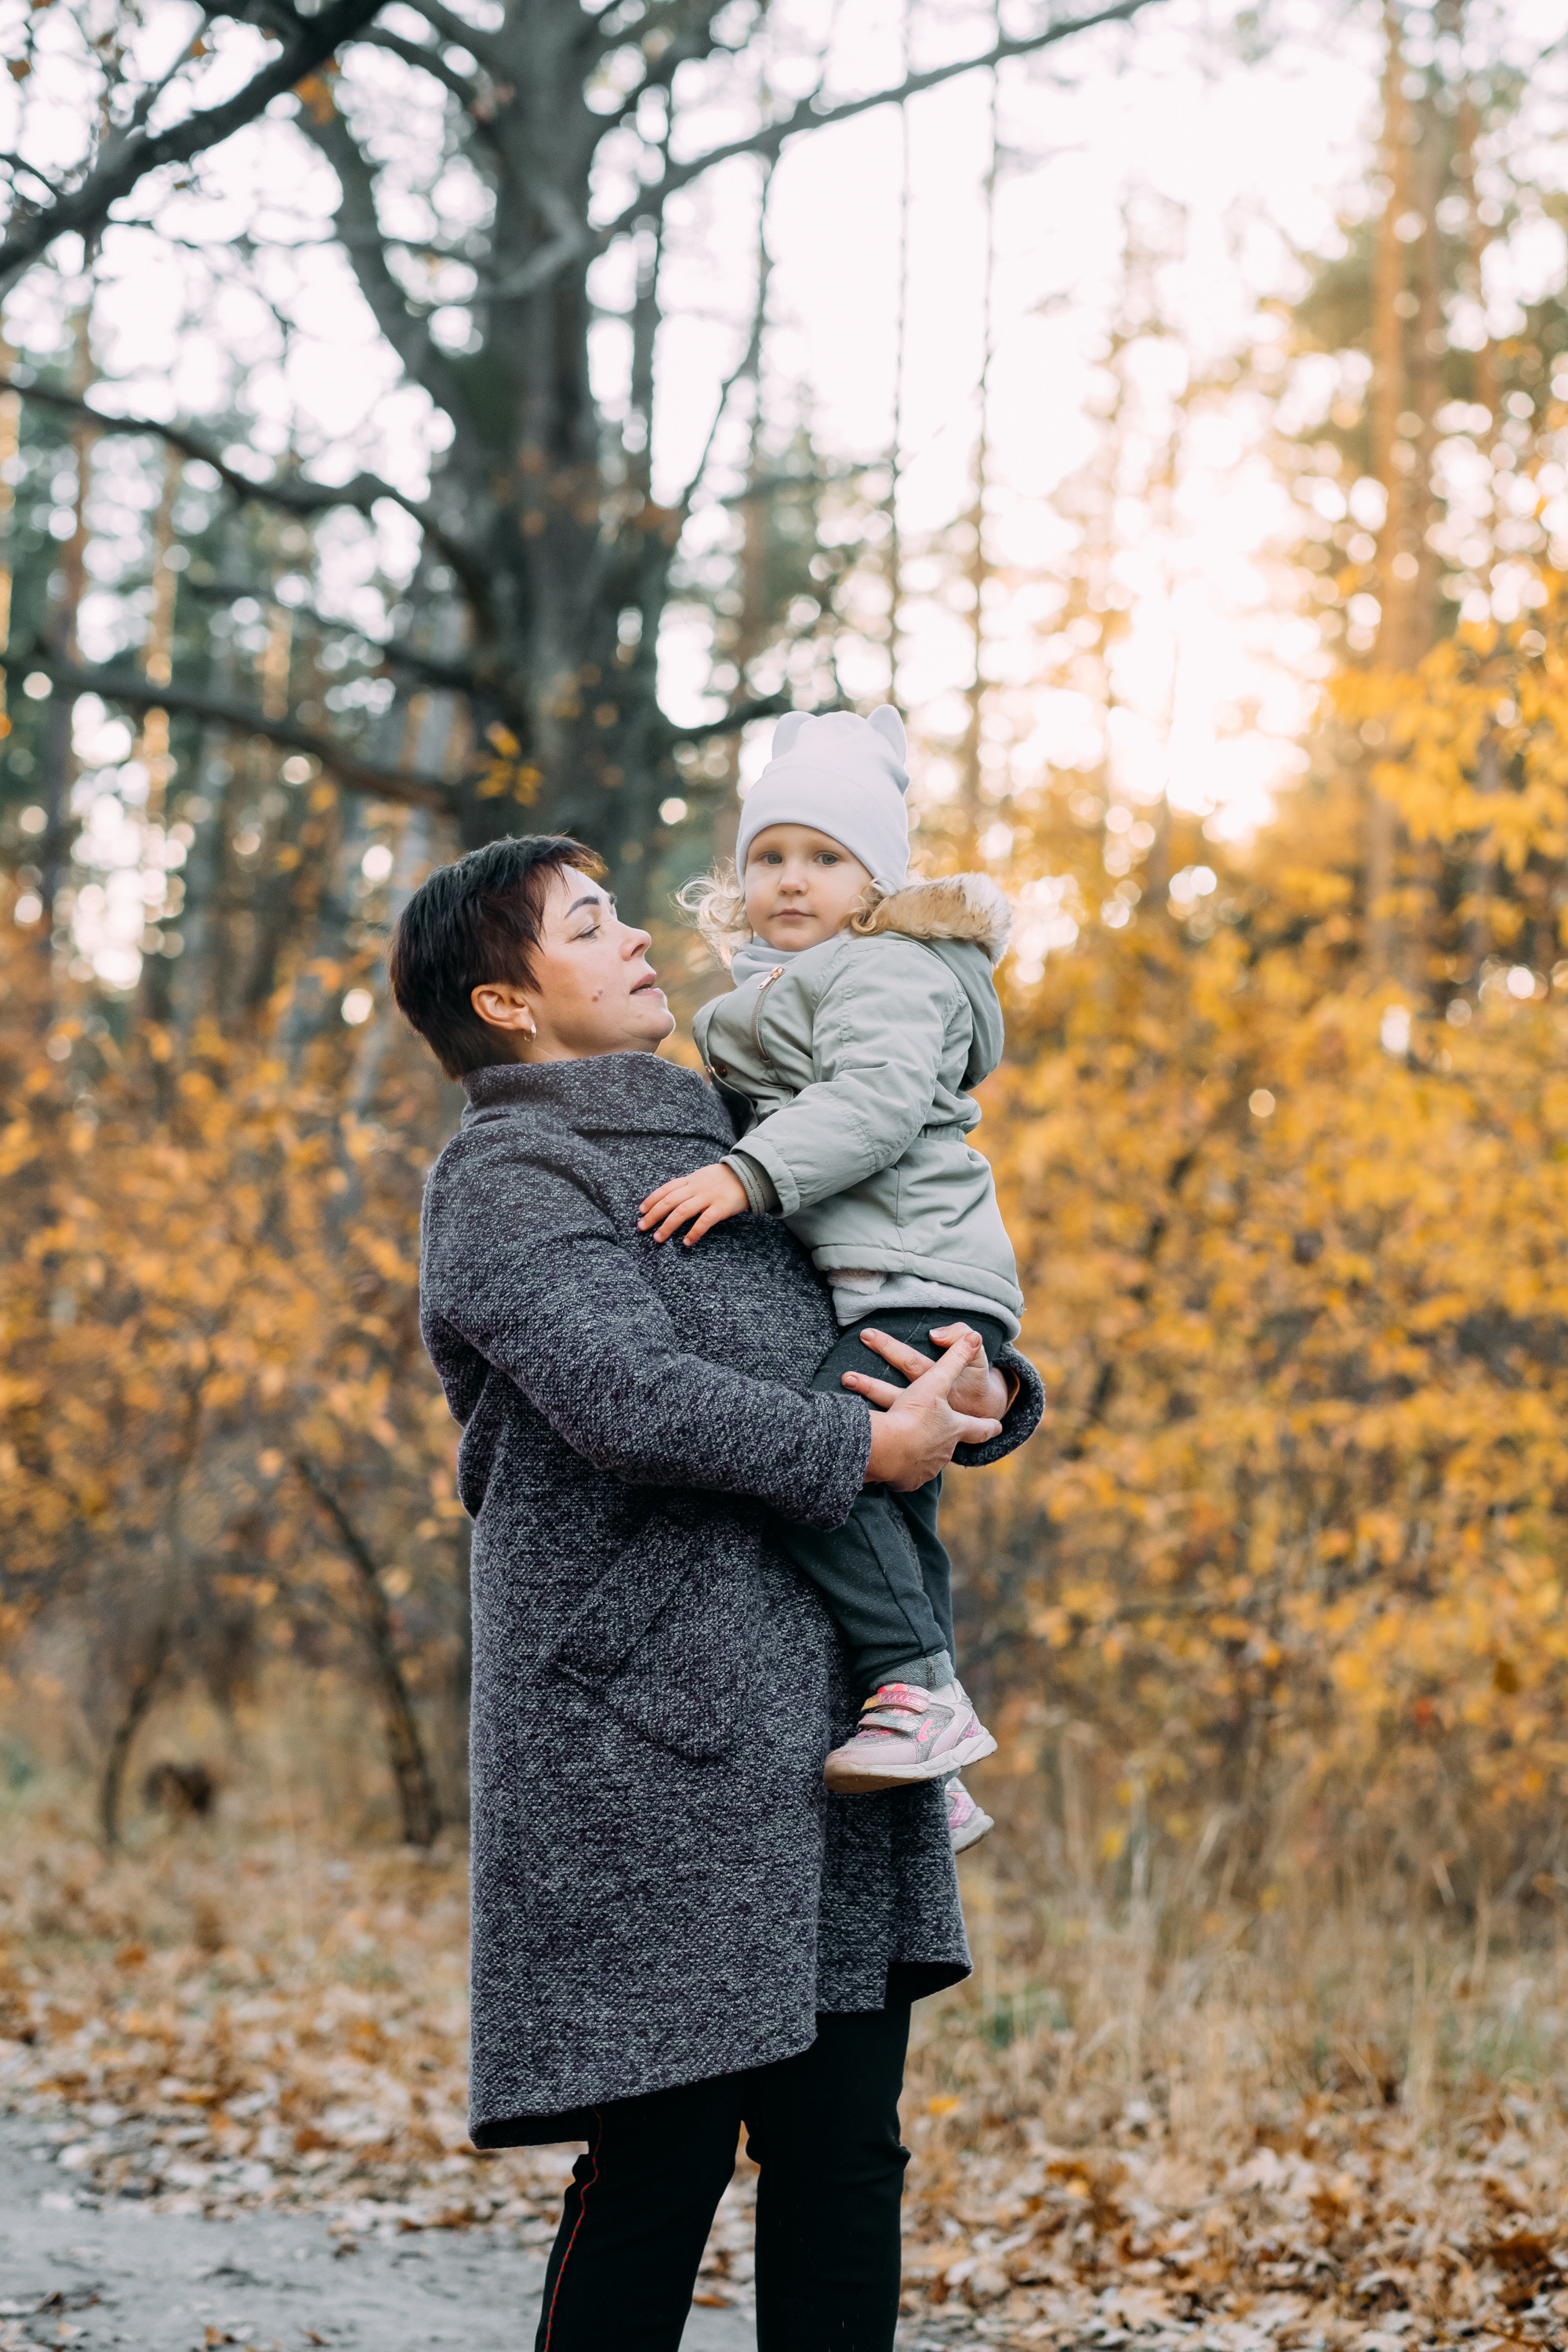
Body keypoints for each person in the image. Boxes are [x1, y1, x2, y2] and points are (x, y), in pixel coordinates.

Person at [388, 833, 1042, 2352]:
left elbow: (908, 1259)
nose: (637, 940)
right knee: (660, 2173)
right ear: (505, 1003)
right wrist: (863, 1446)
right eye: (588, 924)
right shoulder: (507, 1171)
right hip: (646, 1749)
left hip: (828, 1731)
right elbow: (630, 1397)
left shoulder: (753, 1123)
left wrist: (981, 1383)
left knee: (844, 2161)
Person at [638, 708, 1024, 1851]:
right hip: (894, 1270)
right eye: (768, 856)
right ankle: (931, 1739)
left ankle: (919, 1693)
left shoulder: (887, 972)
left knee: (827, 1460)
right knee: (893, 1504)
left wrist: (748, 1173)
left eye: (824, 858)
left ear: (875, 885)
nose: (790, 880)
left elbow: (875, 1103)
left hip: (919, 1269)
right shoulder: (795, 985)